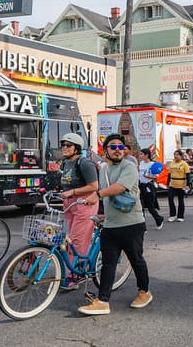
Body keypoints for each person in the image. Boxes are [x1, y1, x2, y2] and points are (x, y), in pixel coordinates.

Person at [79, 133, 152, 315]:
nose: (118, 150)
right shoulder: (103, 169)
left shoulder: (129, 165)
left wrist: (97, 195)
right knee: (108, 264)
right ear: (106, 151)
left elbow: (120, 187)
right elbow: (108, 197)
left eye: (121, 146)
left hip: (132, 224)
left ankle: (144, 292)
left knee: (136, 260)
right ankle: (103, 301)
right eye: (113, 146)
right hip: (111, 226)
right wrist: (103, 215)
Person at [57, 133, 99, 292]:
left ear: (77, 148)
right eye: (63, 145)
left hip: (84, 203)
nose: (65, 148)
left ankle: (76, 275)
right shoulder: (66, 163)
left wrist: (73, 192)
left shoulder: (85, 163)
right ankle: (70, 269)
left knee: (77, 239)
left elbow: (94, 186)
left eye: (69, 145)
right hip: (69, 202)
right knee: (66, 239)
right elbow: (67, 183)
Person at [137, 148, 165, 230]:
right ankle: (143, 227)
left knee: (150, 207)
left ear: (147, 155)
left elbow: (156, 177)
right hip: (141, 186)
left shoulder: (153, 164)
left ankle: (159, 219)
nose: (140, 156)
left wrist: (148, 176)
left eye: (142, 154)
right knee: (140, 207)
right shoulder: (141, 163)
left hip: (149, 187)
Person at [166, 149, 190, 222]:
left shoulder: (184, 164)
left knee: (180, 200)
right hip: (172, 183)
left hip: (181, 184)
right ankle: (172, 215)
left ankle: (180, 216)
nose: (175, 156)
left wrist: (187, 185)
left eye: (177, 155)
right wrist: (167, 183)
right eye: (174, 155)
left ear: (181, 156)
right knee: (170, 198)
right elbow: (169, 174)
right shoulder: (172, 163)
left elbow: (188, 175)